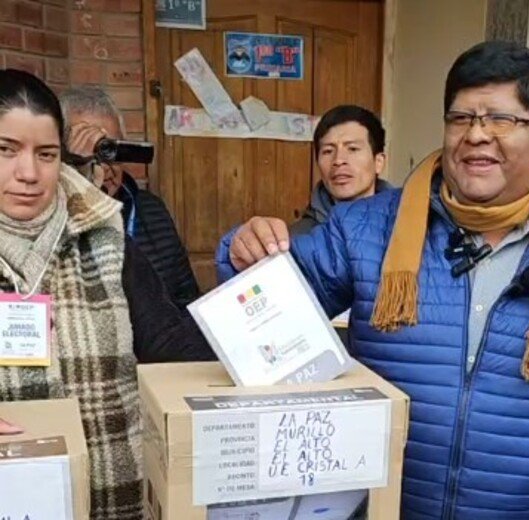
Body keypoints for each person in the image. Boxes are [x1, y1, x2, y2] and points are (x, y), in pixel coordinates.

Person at [216, 41, 529, 518]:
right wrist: (245, 251)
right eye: (461, 118)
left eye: (501, 120)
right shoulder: (366, 231)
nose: (476, 135)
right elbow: (264, 306)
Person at [0, 69, 215, 520]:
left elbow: (174, 346)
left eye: (46, 154)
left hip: (118, 498)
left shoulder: (108, 239)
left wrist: (256, 311)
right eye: (6, 150)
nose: (28, 173)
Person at [216, 103, 393, 282]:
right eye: (328, 151)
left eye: (352, 149)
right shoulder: (296, 240)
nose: (339, 160)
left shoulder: (404, 228)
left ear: (378, 162)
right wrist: (238, 256)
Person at [59, 86, 200, 309]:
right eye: (89, 155)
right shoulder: (45, 219)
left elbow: (187, 299)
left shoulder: (150, 210)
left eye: (110, 151)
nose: (104, 169)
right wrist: (80, 186)